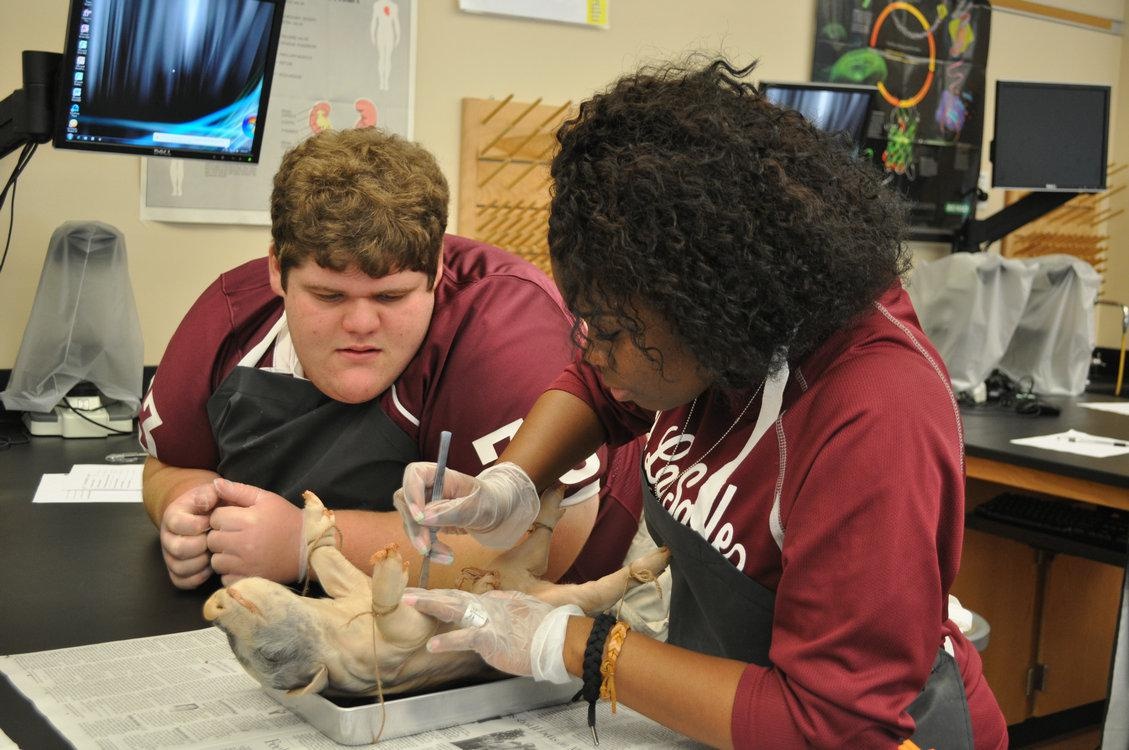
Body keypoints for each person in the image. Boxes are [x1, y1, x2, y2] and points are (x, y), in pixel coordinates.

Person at [395, 58, 1008, 748]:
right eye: (589, 324)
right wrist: (510, 480)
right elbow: (602, 388)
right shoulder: (719, 333)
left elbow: (830, 726)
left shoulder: (874, 411)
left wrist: (576, 648)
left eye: (618, 331)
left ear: (706, 300)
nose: (594, 352)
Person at [139, 126, 643, 593]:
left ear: (436, 269)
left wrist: (312, 542)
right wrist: (181, 507)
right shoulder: (232, 315)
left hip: (560, 604)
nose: (360, 324)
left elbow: (546, 543)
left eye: (391, 298)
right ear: (277, 270)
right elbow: (168, 464)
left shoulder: (507, 328)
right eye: (329, 296)